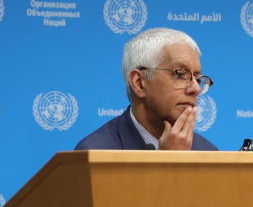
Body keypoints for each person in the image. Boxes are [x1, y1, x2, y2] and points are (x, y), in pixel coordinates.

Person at [75, 28, 218, 151]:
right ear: (139, 83)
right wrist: (168, 163)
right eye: (180, 74)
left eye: (198, 79)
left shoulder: (208, 152)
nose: (195, 89)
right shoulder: (95, 153)